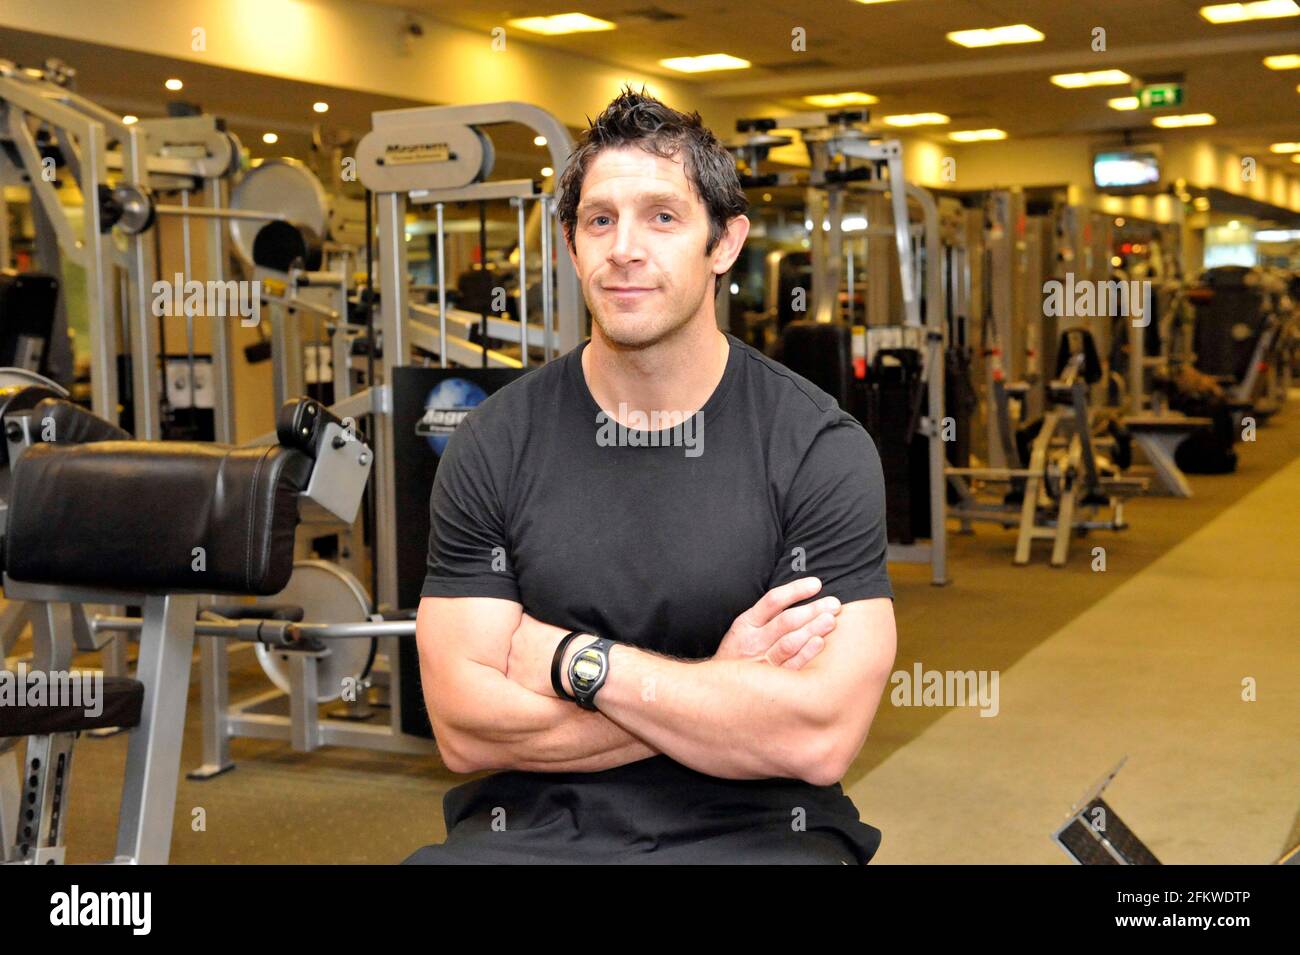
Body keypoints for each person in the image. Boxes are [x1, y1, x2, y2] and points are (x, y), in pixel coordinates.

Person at [404, 87, 897, 864]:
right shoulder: (493, 442)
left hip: (762, 829)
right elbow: (463, 726)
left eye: (662, 217)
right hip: (531, 827)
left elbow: (818, 735)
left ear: (724, 243)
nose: (624, 248)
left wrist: (576, 663)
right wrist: (719, 688)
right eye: (600, 219)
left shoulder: (817, 448)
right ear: (572, 247)